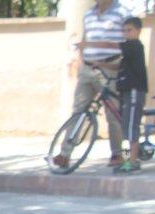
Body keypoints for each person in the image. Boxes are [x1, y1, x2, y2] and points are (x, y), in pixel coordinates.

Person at [54, 0, 127, 169]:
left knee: (112, 111)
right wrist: (81, 61)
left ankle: (117, 154)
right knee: (78, 111)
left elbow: (127, 42)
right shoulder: (89, 14)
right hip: (87, 68)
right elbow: (84, 39)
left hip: (109, 68)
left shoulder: (122, 12)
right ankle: (65, 154)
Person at [115, 17, 148, 174]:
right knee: (125, 128)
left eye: (129, 30)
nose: (126, 33)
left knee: (130, 127)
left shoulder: (135, 46)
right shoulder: (128, 50)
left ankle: (131, 162)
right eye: (124, 31)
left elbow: (111, 45)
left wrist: (88, 44)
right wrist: (100, 64)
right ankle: (127, 160)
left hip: (134, 91)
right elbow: (117, 65)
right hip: (126, 91)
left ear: (138, 31)